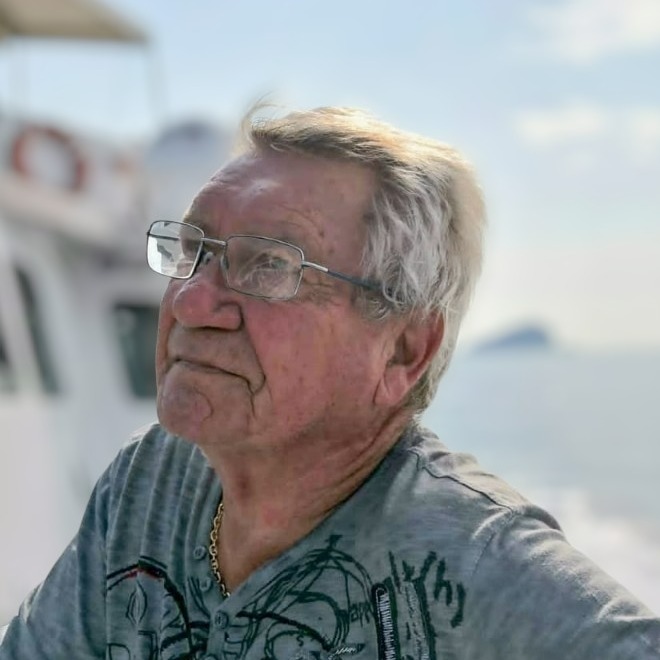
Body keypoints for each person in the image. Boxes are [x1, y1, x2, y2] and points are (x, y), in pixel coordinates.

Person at [1, 106, 658, 660]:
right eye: (194, 249)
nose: (192, 302)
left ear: (403, 350)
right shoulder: (148, 482)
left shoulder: (476, 562)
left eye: (268, 265)